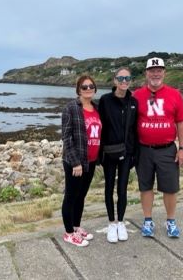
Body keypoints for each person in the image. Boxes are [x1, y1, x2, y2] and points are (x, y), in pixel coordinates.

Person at [133, 57, 183, 238]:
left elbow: (181, 123)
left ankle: (170, 221)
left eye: (159, 70)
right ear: (146, 73)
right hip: (143, 149)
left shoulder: (175, 94)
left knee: (170, 188)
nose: (155, 73)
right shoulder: (137, 95)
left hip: (167, 149)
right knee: (145, 186)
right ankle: (148, 220)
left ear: (164, 72)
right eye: (152, 70)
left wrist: (182, 148)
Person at [61, 75, 102, 247]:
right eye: (84, 87)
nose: (88, 89)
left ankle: (77, 227)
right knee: (71, 196)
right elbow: (67, 137)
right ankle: (69, 233)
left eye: (91, 86)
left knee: (81, 196)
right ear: (78, 89)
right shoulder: (71, 108)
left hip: (91, 160)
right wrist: (75, 162)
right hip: (76, 162)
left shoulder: (97, 108)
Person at [98, 67, 138, 243]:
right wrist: (98, 153)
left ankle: (121, 222)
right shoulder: (105, 100)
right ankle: (111, 223)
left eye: (127, 78)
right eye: (120, 78)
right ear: (114, 80)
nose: (124, 81)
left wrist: (134, 153)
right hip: (109, 152)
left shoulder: (133, 102)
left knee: (122, 189)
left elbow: (134, 130)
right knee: (109, 188)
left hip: (127, 152)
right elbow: (99, 127)